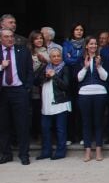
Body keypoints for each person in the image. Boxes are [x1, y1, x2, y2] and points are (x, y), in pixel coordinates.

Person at [0, 28, 34, 165]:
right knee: (3, 125)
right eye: (6, 37)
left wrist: (27, 88)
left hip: (19, 91)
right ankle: (6, 154)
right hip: (2, 92)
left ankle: (24, 154)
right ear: (1, 39)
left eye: (11, 36)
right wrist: (1, 67)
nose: (10, 39)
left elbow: (29, 71)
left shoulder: (23, 51)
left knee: (22, 124)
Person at [35, 47, 71, 160]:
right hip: (46, 104)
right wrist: (45, 76)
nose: (56, 58)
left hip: (60, 103)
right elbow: (35, 81)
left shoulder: (65, 68)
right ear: (50, 58)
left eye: (58, 56)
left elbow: (66, 86)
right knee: (45, 128)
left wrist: (54, 76)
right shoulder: (45, 67)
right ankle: (46, 151)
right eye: (53, 56)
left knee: (60, 129)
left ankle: (60, 152)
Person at [78, 35, 108, 162]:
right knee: (86, 123)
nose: (93, 46)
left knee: (98, 122)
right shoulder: (80, 59)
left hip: (100, 92)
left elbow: (105, 77)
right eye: (91, 44)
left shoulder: (101, 58)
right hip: (84, 93)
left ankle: (99, 151)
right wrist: (85, 67)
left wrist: (98, 66)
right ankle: (87, 151)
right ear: (86, 45)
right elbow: (79, 78)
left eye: (95, 44)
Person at [62, 22, 86, 144]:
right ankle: (70, 136)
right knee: (70, 108)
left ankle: (82, 136)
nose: (79, 31)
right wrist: (79, 59)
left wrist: (73, 58)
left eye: (81, 29)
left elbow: (82, 59)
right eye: (76, 29)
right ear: (72, 31)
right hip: (70, 78)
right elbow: (66, 60)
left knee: (81, 108)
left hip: (82, 79)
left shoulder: (87, 44)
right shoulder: (66, 44)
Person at [29, 30, 47, 141]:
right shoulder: (28, 52)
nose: (39, 40)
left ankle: (41, 133)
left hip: (44, 85)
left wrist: (45, 61)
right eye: (36, 38)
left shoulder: (47, 51)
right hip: (32, 86)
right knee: (33, 110)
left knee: (42, 110)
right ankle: (34, 132)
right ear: (32, 41)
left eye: (41, 38)